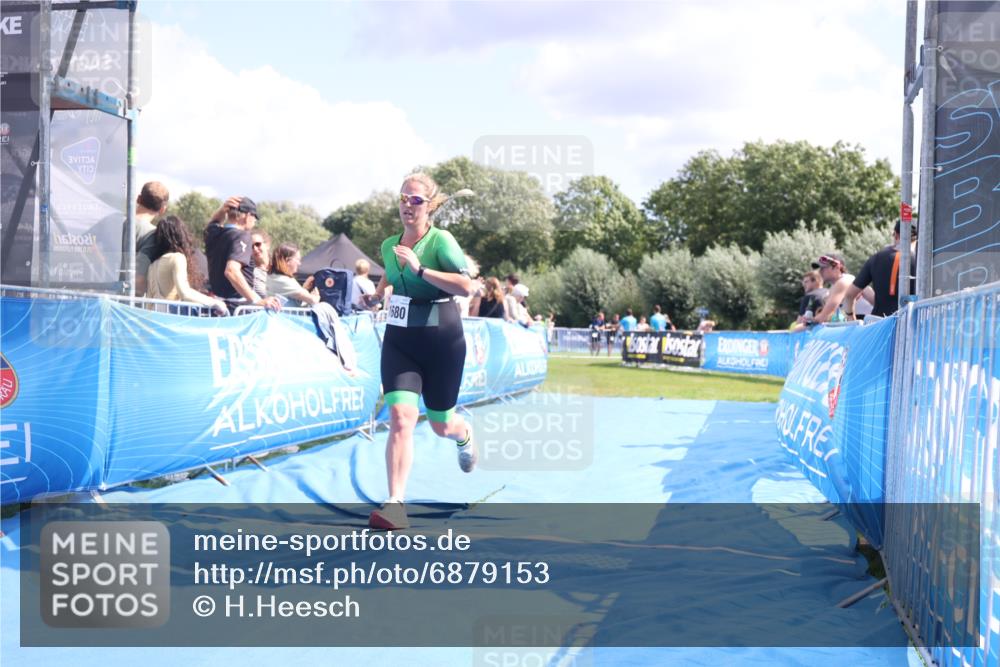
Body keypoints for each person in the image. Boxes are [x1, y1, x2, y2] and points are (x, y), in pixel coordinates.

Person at [367, 172, 478, 531]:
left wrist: (421, 268)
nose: (407, 206)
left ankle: (464, 434)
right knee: (401, 417)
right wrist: (375, 293)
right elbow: (388, 276)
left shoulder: (440, 241)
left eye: (415, 200)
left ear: (429, 206)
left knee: (440, 424)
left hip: (442, 341)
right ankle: (395, 503)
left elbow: (466, 286)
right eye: (402, 198)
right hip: (401, 340)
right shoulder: (388, 245)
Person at [204, 196, 281, 313]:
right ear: (248, 216)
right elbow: (231, 271)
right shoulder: (242, 235)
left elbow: (213, 223)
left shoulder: (213, 233)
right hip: (237, 311)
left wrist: (223, 209)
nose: (255, 222)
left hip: (217, 308)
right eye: (255, 218)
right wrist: (257, 300)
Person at [146, 215, 228, 315]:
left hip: (155, 316)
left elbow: (149, 302)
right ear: (181, 235)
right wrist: (214, 302)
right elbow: (184, 292)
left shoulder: (153, 264)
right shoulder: (177, 258)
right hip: (172, 318)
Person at [845, 221, 918, 318]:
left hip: (881, 325)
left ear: (895, 235)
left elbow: (849, 295)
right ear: (917, 238)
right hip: (913, 325)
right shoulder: (923, 262)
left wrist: (851, 318)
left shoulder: (877, 258)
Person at [121, 181, 169, 296]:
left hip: (102, 298)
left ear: (138, 199)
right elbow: (139, 279)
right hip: (127, 305)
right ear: (163, 209)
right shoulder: (152, 234)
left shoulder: (115, 222)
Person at [811, 253, 873, 323]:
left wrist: (806, 323)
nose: (820, 271)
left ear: (836, 266)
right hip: (859, 322)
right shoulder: (833, 288)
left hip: (868, 322)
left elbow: (824, 316)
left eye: (823, 268)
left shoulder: (844, 281)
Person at [251, 230, 271, 299]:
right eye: (251, 247)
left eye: (257, 244)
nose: (255, 249)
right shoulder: (250, 272)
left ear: (267, 245)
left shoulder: (279, 269)